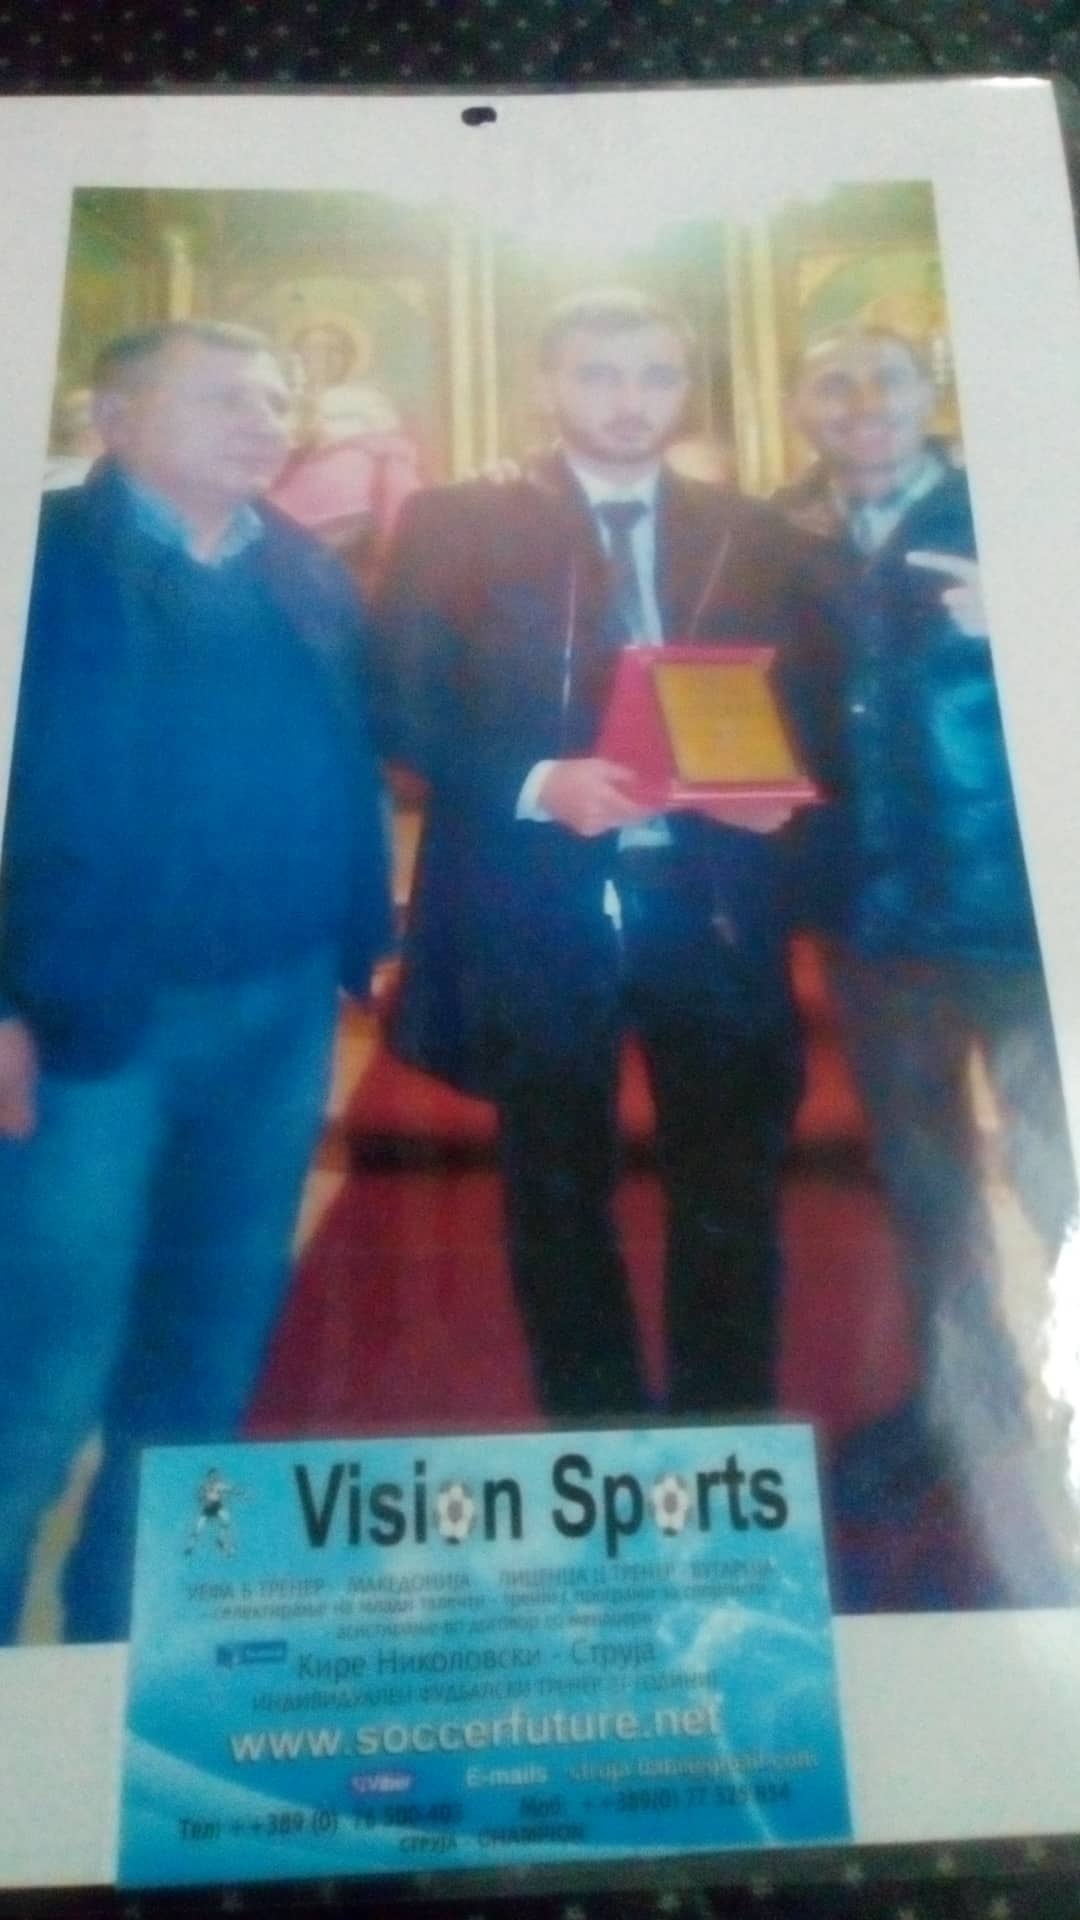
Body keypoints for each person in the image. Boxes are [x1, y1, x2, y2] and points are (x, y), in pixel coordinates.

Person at [0, 320, 392, 1644]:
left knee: (210, 1352)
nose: (265, 419)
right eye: (225, 396)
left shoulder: (305, 569)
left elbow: (365, 747)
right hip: (83, 1022)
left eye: (278, 398)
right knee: (42, 1370)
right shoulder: (38, 559)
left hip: (277, 1017)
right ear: (112, 419)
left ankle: (125, 1640)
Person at [373, 287, 821, 1422]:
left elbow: (814, 695)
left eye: (657, 376)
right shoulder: (455, 522)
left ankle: (723, 1428)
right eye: (599, 375)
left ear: (687, 390)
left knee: (731, 1182)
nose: (630, 402)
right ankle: (598, 1427)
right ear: (548, 385)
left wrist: (779, 792)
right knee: (555, 1185)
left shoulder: (753, 531)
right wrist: (537, 782)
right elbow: (400, 701)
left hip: (712, 898)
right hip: (537, 894)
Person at [778, 327, 1077, 1583]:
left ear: (930, 393)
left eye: (887, 379)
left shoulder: (1028, 499)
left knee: (1061, 1169)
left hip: (1023, 906)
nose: (863, 404)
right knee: (926, 1184)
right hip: (876, 920)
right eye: (833, 383)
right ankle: (966, 1409)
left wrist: (1040, 617)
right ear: (800, 405)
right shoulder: (781, 537)